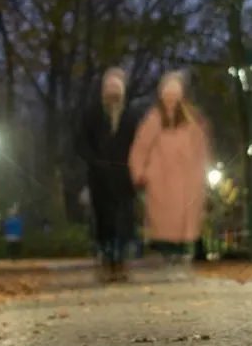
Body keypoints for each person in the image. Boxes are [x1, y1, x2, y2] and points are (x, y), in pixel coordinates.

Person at [129, 70, 210, 273]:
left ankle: (181, 253)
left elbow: (201, 149)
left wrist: (200, 173)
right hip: (161, 178)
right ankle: (166, 253)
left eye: (175, 91)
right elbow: (141, 147)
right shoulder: (154, 118)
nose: (171, 96)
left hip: (186, 178)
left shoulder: (192, 119)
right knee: (164, 218)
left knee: (183, 217)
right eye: (167, 91)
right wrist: (140, 171)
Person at [76, 67, 137, 283]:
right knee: (104, 222)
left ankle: (120, 261)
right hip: (100, 178)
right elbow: (81, 143)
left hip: (124, 178)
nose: (113, 91)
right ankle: (107, 259)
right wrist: (95, 162)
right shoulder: (92, 114)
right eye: (109, 86)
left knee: (123, 222)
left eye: (117, 87)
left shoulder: (131, 116)